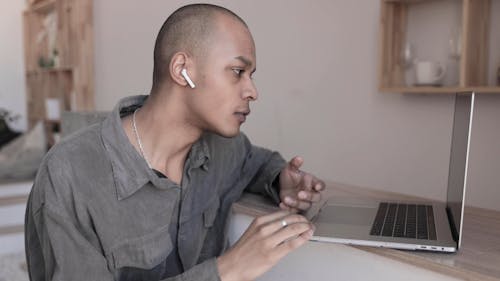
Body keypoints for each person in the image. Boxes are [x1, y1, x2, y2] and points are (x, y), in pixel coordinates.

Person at [25, 3, 325, 281]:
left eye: (251, 75)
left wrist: (280, 179)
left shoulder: (223, 148)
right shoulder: (68, 175)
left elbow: (255, 161)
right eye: (238, 72)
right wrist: (228, 270)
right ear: (183, 70)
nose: (252, 91)